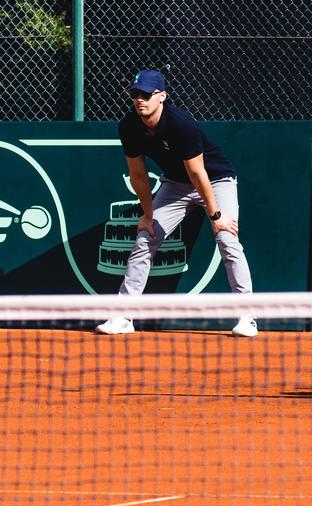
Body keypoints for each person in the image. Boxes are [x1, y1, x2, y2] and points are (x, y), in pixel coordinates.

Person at [96, 69, 258, 337]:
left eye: (146, 94)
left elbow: (198, 173)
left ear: (161, 96)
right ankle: (124, 316)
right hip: (174, 185)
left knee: (227, 239)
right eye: (135, 94)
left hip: (215, 180)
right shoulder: (128, 126)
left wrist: (216, 216)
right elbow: (138, 175)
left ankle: (247, 316)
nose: (139, 100)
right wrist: (148, 215)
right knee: (144, 239)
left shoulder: (181, 123)